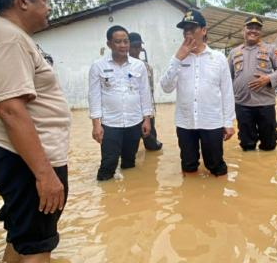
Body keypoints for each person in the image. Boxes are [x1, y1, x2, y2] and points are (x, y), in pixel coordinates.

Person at [0, 0, 70, 263]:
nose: (49, 7)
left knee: (22, 240)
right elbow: (11, 110)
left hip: (20, 159)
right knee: (38, 250)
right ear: (22, 1)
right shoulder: (8, 39)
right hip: (28, 163)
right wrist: (44, 175)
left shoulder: (7, 36)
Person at [160, 9, 235, 176]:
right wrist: (178, 58)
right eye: (185, 29)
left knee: (215, 166)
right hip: (185, 123)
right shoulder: (178, 59)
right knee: (188, 165)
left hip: (212, 122)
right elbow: (165, 87)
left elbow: (227, 92)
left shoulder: (218, 58)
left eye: (192, 28)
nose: (188, 33)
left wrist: (228, 122)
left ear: (203, 30)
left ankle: (217, 199)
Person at [88, 25, 152, 181]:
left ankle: (129, 198)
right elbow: (94, 96)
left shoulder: (139, 65)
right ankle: (107, 197)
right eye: (118, 42)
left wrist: (147, 119)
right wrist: (96, 124)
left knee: (130, 163)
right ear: (109, 44)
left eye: (126, 41)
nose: (123, 45)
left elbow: (145, 92)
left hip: (134, 122)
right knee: (108, 164)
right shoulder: (98, 66)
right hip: (110, 124)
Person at [228, 16, 277, 151]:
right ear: (243, 30)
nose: (253, 31)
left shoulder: (271, 49)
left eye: (257, 28)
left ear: (261, 31)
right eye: (250, 27)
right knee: (247, 145)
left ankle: (266, 171)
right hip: (242, 105)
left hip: (265, 104)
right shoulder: (233, 52)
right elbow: (227, 78)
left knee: (269, 144)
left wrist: (269, 78)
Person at [128, 32, 163, 151]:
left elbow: (150, 91)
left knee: (152, 146)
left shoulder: (147, 67)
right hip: (130, 112)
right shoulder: (122, 66)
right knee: (130, 148)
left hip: (146, 111)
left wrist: (149, 113)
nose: (137, 49)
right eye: (134, 46)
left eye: (139, 46)